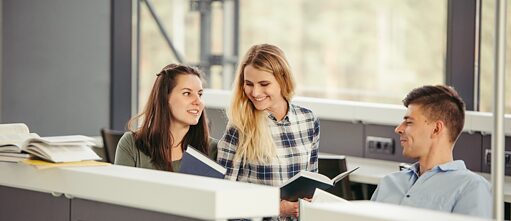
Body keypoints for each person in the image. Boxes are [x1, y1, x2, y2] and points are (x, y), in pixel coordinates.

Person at [217, 44, 320, 220]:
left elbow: (312, 184)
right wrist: (276, 208)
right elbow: (223, 197)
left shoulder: (308, 120)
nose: (255, 92)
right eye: (249, 84)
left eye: (264, 84)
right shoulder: (240, 127)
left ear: (283, 80)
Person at [371, 85, 491, 218]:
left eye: (409, 122)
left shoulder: (471, 187)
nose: (398, 129)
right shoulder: (390, 182)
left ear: (436, 129)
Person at [115, 64, 217, 171]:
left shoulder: (214, 150)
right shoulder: (131, 144)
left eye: (200, 94)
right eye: (187, 93)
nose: (198, 102)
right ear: (164, 98)